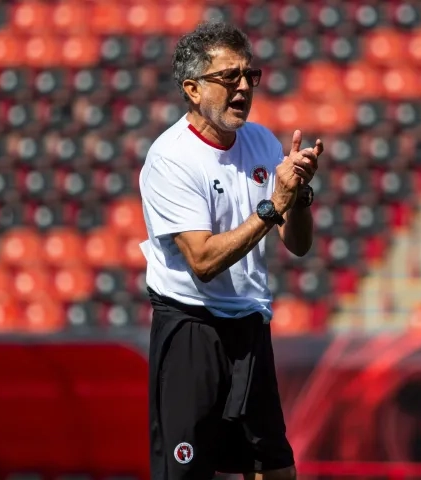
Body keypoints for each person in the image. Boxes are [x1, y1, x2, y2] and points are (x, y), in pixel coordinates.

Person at [138, 22, 321, 480]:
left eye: (249, 76)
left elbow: (298, 245)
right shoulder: (171, 158)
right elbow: (202, 261)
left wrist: (297, 197)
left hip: (249, 325)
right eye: (228, 78)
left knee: (277, 471)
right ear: (192, 89)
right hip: (191, 328)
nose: (243, 88)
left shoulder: (261, 142)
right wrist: (272, 206)